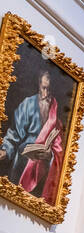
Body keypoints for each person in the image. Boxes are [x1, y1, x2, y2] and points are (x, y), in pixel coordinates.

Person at [0, 69, 65, 202]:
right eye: (43, 89)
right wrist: (5, 150)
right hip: (22, 165)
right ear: (38, 85)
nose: (45, 94)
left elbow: (58, 149)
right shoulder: (27, 104)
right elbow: (14, 133)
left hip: (43, 173)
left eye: (49, 90)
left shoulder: (56, 115)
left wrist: (50, 156)